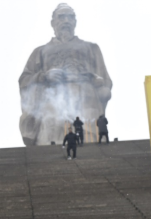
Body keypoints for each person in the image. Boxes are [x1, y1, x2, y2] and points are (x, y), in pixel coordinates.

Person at [18, 3, 112, 146]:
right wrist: (43, 76)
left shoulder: (91, 48)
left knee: (89, 144)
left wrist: (98, 83)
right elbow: (24, 80)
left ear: (75, 22)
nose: (66, 21)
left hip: (86, 102)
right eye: (61, 17)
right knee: (50, 145)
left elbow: (105, 82)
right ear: (53, 23)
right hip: (52, 104)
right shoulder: (40, 51)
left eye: (70, 17)